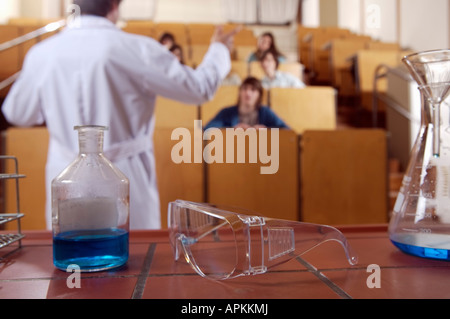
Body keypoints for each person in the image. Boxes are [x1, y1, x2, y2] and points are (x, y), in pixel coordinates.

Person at [2, 0, 239, 230]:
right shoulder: (137, 49)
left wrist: (59, 111)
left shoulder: (43, 54)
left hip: (65, 175)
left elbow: (18, 113)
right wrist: (219, 49)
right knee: (135, 261)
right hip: (126, 173)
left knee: (72, 258)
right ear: (115, 5)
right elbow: (198, 89)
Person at [204, 77, 288, 130]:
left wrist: (267, 130)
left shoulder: (265, 112)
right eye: (245, 89)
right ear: (239, 93)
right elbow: (207, 129)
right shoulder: (227, 112)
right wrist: (232, 130)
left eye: (253, 90)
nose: (248, 93)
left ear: (259, 95)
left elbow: (287, 130)